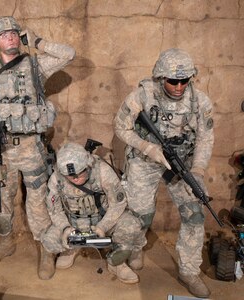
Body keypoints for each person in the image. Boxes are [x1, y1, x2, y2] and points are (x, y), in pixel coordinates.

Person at [0, 16, 75, 279]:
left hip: (32, 149)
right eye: (4, 35)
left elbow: (68, 54)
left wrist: (37, 41)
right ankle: (6, 242)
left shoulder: (35, 65)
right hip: (3, 150)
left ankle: (47, 251)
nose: (11, 37)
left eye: (14, 33)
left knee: (38, 203)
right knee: (2, 202)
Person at [113, 48, 214, 298]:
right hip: (145, 160)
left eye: (184, 80)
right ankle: (136, 248)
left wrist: (198, 172)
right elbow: (121, 127)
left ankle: (189, 271)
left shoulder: (200, 102)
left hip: (182, 163)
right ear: (160, 77)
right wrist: (147, 146)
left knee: (194, 213)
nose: (179, 86)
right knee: (140, 213)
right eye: (172, 81)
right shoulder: (141, 96)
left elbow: (205, 138)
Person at [41, 142, 143, 283]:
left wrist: (103, 226)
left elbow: (117, 204)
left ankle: (117, 263)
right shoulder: (57, 178)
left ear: (88, 165)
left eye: (79, 173)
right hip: (73, 223)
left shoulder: (102, 171)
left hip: (102, 221)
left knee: (131, 225)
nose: (76, 179)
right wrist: (65, 228)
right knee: (48, 239)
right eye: (70, 177)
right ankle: (71, 248)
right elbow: (55, 210)